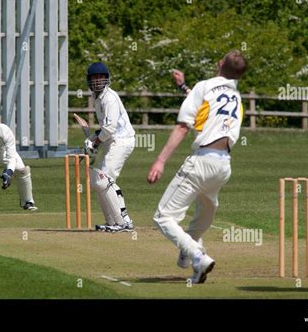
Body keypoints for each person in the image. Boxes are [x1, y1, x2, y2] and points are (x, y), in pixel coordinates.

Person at [147, 50, 247, 283]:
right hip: (223, 166)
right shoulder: (236, 95)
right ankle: (191, 257)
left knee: (163, 217)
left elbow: (184, 126)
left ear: (219, 63)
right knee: (204, 211)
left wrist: (160, 161)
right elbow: (208, 107)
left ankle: (198, 255)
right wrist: (184, 88)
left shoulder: (205, 86)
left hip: (201, 161)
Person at [84, 62, 136, 232]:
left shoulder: (109, 98)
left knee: (103, 179)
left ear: (106, 79)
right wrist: (92, 137)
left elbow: (110, 128)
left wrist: (95, 143)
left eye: (101, 78)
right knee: (97, 181)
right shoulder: (97, 98)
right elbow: (105, 127)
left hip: (121, 140)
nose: (98, 81)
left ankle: (123, 223)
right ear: (89, 81)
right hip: (113, 140)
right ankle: (112, 222)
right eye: (94, 78)